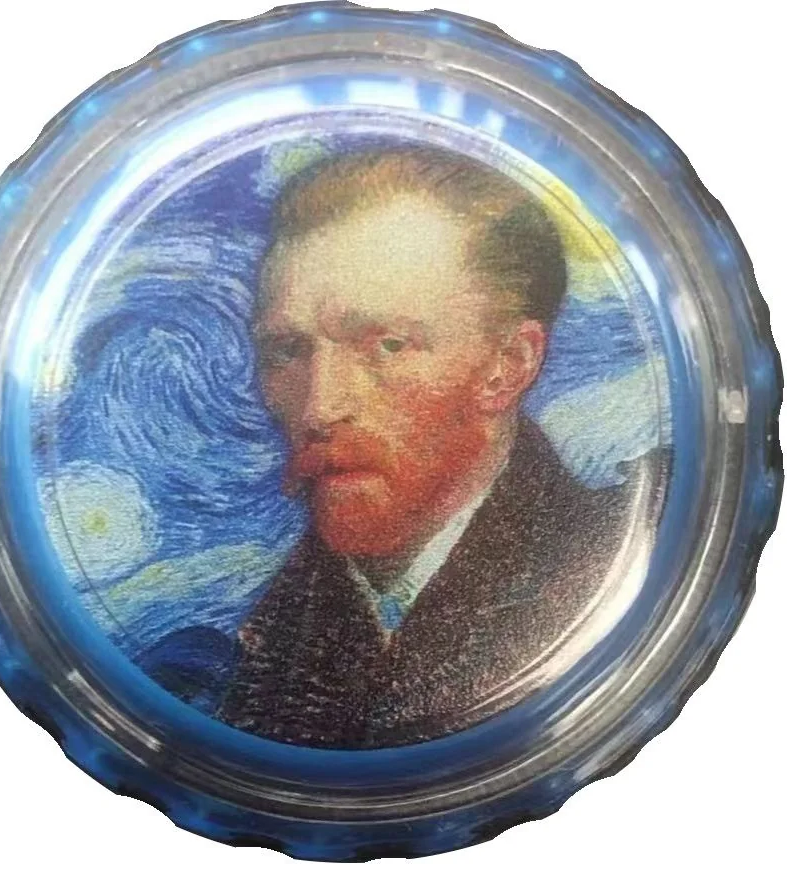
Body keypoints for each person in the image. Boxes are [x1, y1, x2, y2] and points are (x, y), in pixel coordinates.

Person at [215, 147, 629, 747]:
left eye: (386, 346)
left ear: (507, 366)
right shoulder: (257, 654)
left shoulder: (609, 576)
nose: (320, 407)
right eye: (287, 351)